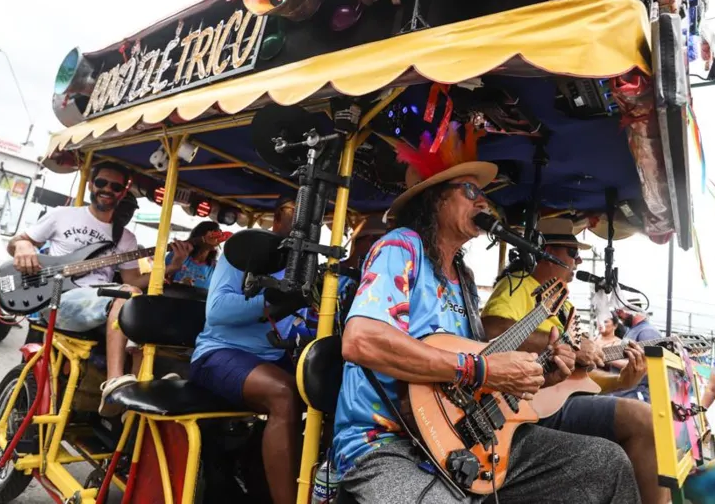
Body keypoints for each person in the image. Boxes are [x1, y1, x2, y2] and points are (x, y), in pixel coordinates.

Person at [335, 125, 640, 504]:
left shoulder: (463, 277)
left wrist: (544, 373)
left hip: (466, 440)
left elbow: (482, 374)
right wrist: (481, 370)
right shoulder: (401, 247)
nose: (483, 203)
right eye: (469, 191)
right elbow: (361, 340)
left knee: (604, 463)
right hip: (387, 444)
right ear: (434, 200)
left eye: (482, 195)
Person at [482, 217, 663, 504]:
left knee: (646, 417)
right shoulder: (516, 286)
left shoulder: (565, 304)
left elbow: (574, 380)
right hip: (523, 405)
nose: (578, 260)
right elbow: (491, 330)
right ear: (547, 251)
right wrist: (569, 345)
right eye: (572, 252)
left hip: (555, 402)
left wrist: (619, 381)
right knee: (641, 419)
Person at [189, 196, 307, 504]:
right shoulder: (243, 252)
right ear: (276, 223)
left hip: (273, 355)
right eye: (290, 220)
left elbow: (300, 323)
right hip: (218, 353)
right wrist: (269, 302)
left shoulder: (305, 263)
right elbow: (216, 312)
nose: (298, 229)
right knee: (283, 393)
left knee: (334, 385)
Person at [8, 161, 148, 416]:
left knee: (141, 306)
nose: (107, 189)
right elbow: (18, 241)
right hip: (57, 298)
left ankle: (136, 391)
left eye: (115, 186)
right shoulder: (63, 214)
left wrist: (171, 269)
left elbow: (133, 279)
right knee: (128, 295)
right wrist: (24, 246)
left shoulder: (126, 238)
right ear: (93, 184)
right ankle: (114, 383)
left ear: (123, 192)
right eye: (102, 183)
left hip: (99, 303)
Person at [612, 300, 662, 403]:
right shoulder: (632, 330)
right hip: (624, 394)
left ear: (632, 310)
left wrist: (610, 360)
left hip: (636, 395)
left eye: (620, 310)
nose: (618, 314)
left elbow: (648, 365)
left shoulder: (647, 332)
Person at [164, 220, 228, 290]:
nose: (217, 238)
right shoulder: (177, 254)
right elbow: (158, 278)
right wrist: (172, 267)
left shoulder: (215, 267)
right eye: (213, 233)